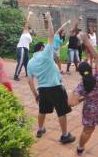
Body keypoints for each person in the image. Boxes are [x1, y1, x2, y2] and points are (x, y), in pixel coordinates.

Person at [27, 12, 75, 143]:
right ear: (42, 48)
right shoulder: (46, 54)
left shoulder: (30, 63)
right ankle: (65, 135)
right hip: (55, 87)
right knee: (61, 112)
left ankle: (40, 128)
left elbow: (30, 81)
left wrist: (35, 94)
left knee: (42, 110)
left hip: (42, 89)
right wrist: (49, 19)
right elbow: (51, 35)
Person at [14, 11, 33, 81]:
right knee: (21, 61)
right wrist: (29, 15)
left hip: (26, 49)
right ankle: (16, 75)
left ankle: (27, 73)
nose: (30, 29)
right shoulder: (25, 32)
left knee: (27, 62)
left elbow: (29, 42)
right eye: (29, 28)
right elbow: (26, 23)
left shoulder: (30, 36)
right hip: (21, 47)